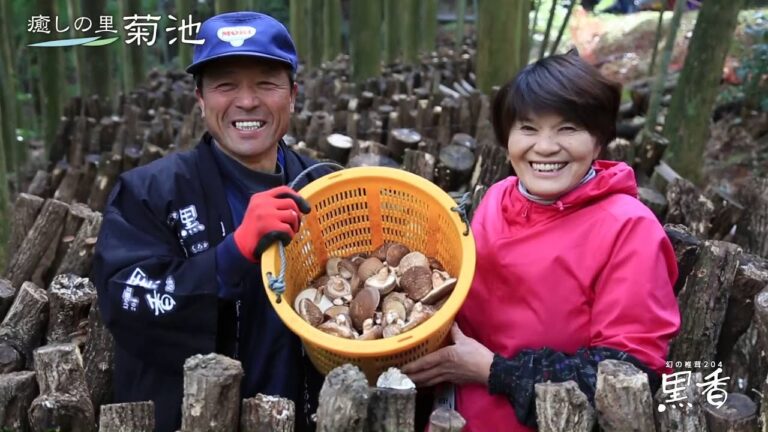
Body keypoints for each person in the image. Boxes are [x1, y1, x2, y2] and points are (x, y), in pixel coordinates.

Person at [402, 51, 681, 431]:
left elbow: (630, 374)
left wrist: (493, 371)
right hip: (449, 415)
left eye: (567, 129)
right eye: (528, 129)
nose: (545, 147)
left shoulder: (628, 228)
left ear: (598, 140)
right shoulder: (499, 197)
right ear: (507, 137)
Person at [92, 12, 330, 432]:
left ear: (292, 94)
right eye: (226, 84)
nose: (247, 100)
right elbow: (125, 303)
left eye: (265, 83)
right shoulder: (148, 193)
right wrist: (231, 255)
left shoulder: (325, 188)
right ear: (200, 99)